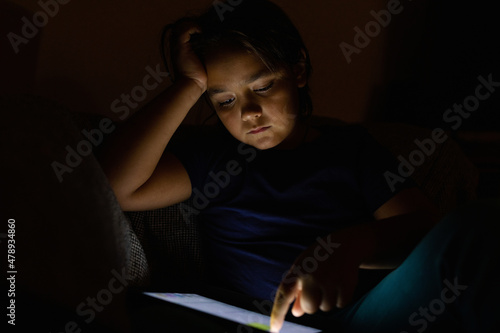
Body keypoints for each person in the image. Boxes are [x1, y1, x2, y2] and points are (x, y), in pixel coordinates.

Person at [98, 1, 498, 332]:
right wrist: (188, 84)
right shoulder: (212, 158)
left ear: (299, 70)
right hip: (261, 322)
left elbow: (426, 231)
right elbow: (118, 188)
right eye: (225, 101)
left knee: (480, 223)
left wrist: (348, 245)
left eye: (263, 86)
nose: (249, 113)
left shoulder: (350, 150)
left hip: (365, 318)